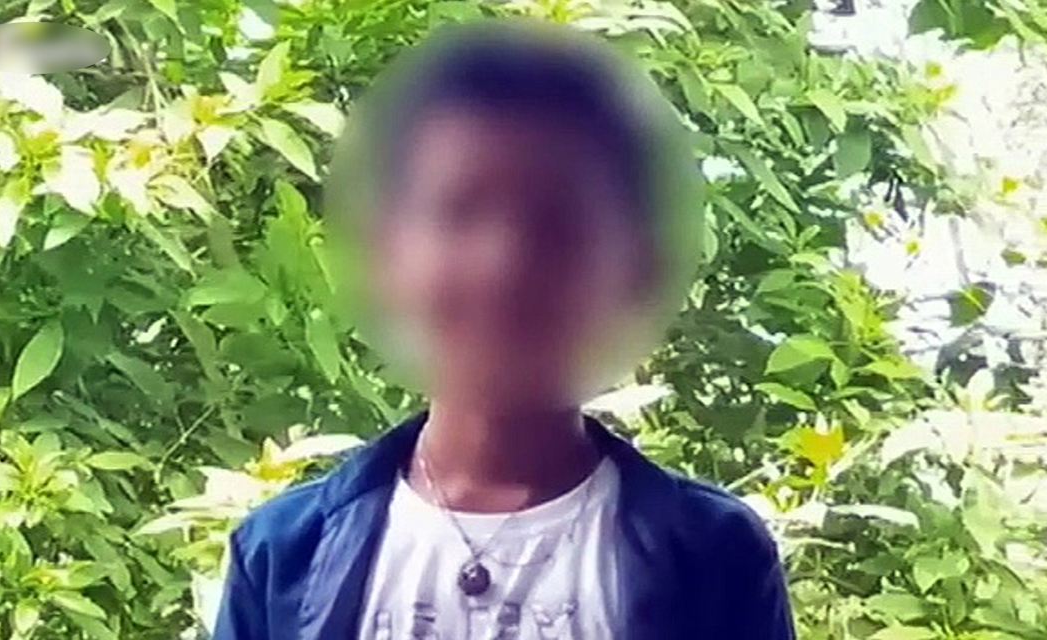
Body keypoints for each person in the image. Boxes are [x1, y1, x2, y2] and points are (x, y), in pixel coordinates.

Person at [213, 18, 794, 640]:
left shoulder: (714, 556)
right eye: (460, 210)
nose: (505, 265)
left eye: (556, 222)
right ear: (388, 251)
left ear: (631, 266)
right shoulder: (282, 554)